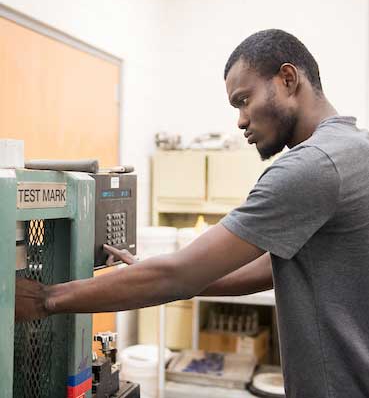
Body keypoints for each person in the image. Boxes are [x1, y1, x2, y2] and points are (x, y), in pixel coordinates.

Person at [16, 29, 369, 398]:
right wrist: (154, 272)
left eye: (244, 100)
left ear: (288, 78)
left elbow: (178, 277)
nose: (241, 120)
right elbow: (272, 266)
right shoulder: (355, 148)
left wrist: (44, 299)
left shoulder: (311, 166)